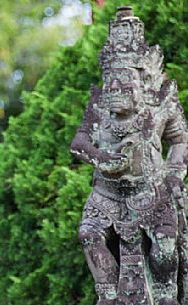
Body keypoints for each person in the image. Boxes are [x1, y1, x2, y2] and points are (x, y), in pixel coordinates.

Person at [71, 7, 188, 305]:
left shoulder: (159, 104)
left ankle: (166, 296)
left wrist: (174, 173)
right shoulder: (98, 106)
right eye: (111, 81)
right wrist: (102, 158)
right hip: (106, 195)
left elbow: (180, 139)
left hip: (152, 193)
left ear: (142, 81)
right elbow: (79, 142)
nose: (116, 89)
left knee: (164, 245)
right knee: (89, 236)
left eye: (125, 82)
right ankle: (107, 295)